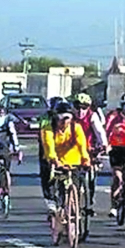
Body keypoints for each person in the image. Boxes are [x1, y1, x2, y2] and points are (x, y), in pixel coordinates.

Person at [41, 99, 91, 240]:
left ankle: (75, 212)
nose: (64, 122)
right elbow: (48, 145)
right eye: (60, 118)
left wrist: (86, 160)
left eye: (67, 118)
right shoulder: (48, 128)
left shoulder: (76, 127)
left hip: (73, 160)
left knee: (76, 185)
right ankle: (57, 210)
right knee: (57, 187)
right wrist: (54, 160)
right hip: (56, 160)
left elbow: (82, 146)